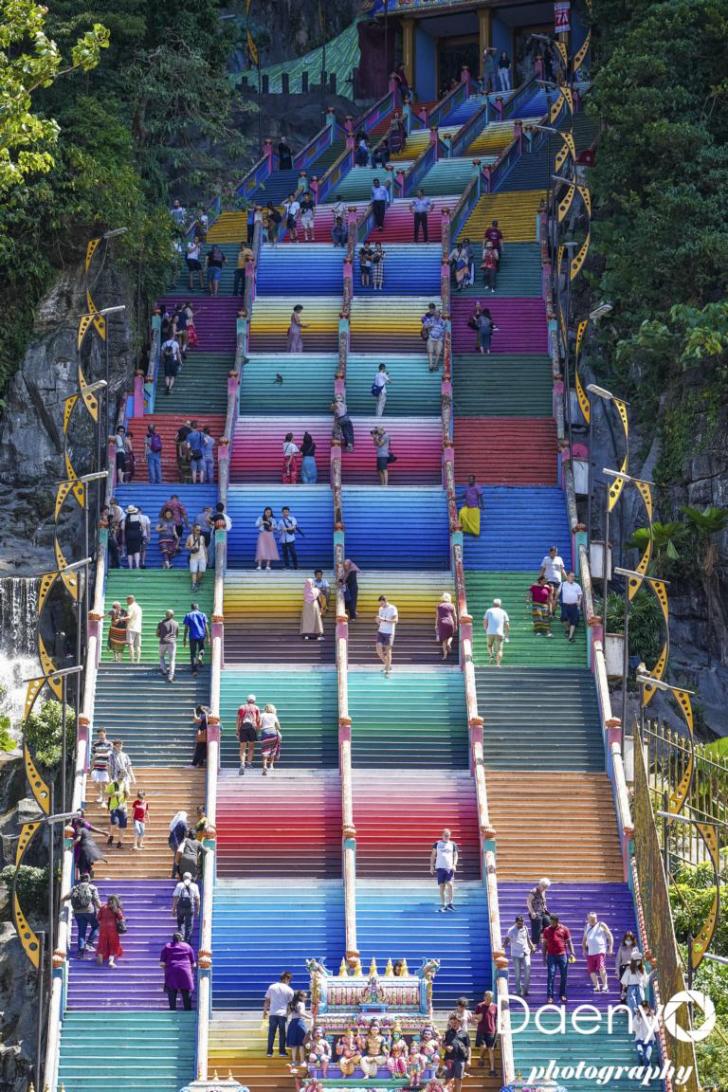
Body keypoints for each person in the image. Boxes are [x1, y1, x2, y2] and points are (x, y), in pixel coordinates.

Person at [62, 872, 102, 955]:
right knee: (96, 926)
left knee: (81, 931)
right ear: (88, 879)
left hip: (78, 912)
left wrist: (61, 900)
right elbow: (96, 900)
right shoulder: (92, 887)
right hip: (89, 911)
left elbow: (66, 897)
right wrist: (102, 908)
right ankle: (89, 943)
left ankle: (80, 951)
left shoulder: (75, 888)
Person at [542, 914, 576, 1004]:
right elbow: (544, 944)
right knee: (551, 975)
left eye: (553, 922)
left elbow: (569, 942)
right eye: (551, 922)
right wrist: (543, 957)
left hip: (562, 955)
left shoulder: (564, 929)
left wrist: (572, 953)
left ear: (557, 921)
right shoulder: (546, 930)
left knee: (564, 975)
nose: (551, 923)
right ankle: (550, 996)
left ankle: (562, 994)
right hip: (551, 956)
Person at [160, 932, 196, 1010]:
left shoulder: (167, 946)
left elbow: (162, 963)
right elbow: (193, 964)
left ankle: (172, 1010)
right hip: (185, 971)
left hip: (172, 970)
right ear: (182, 938)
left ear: (172, 939)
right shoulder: (187, 946)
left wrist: (167, 969)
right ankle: (187, 1010)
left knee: (171, 991)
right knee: (186, 991)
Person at [263, 971, 295, 1057]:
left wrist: (265, 1011)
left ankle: (269, 1051)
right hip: (283, 1014)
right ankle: (282, 1051)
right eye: (289, 980)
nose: (289, 982)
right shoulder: (289, 990)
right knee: (282, 1033)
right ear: (287, 979)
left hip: (273, 1013)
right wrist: (288, 1013)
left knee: (271, 1033)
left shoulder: (272, 987)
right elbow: (291, 1005)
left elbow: (267, 1000)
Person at [583, 912, 614, 994]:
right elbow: (584, 940)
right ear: (588, 919)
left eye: (594, 918)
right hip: (591, 952)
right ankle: (597, 986)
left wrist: (610, 948)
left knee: (601, 967)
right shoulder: (586, 927)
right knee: (591, 970)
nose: (593, 920)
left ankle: (605, 985)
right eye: (591, 918)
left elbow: (610, 936)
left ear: (596, 918)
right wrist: (584, 949)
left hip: (600, 951)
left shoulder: (601, 925)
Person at [506, 914, 535, 997]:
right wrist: (503, 946)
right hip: (516, 954)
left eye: (522, 923)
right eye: (519, 923)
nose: (521, 925)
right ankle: (518, 991)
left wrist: (532, 946)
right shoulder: (511, 930)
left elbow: (528, 939)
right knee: (517, 974)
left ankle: (525, 990)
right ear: (515, 922)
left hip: (526, 952)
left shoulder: (525, 928)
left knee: (527, 971)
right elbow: (507, 939)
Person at [430, 828, 458, 912]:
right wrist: (431, 866)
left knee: (450, 884)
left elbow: (455, 855)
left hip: (449, 868)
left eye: (448, 835)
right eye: (445, 835)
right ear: (442, 835)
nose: (447, 837)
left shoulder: (453, 844)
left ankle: (450, 903)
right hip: (440, 867)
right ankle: (443, 905)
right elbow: (433, 855)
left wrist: (454, 865)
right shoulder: (437, 844)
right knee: (442, 886)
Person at [96, 894, 125, 967]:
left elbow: (98, 918)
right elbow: (121, 918)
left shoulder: (103, 907)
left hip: (103, 928)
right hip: (112, 929)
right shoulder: (116, 909)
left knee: (102, 943)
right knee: (113, 945)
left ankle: (100, 956)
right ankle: (111, 961)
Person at [443, 1014, 470, 1092]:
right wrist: (446, 1047)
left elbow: (468, 1047)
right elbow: (442, 1044)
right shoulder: (447, 1033)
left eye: (455, 1022)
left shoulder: (465, 1033)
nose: (453, 1024)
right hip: (449, 1059)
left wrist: (469, 1060)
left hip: (460, 1059)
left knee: (459, 1080)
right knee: (448, 1079)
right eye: (452, 1023)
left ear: (459, 1022)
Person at [172, 871, 201, 943]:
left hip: (180, 906)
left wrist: (174, 909)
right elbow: (197, 898)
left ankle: (180, 939)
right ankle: (187, 942)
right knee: (189, 926)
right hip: (190, 907)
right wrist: (198, 910)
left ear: (183, 878)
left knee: (180, 923)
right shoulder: (195, 886)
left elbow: (175, 897)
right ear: (190, 878)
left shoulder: (179, 885)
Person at [474, 990, 498, 1076]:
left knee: (491, 1049)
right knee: (483, 1046)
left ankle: (492, 1069)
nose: (489, 1000)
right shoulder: (479, 1006)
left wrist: (498, 1027)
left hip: (491, 1031)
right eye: (487, 998)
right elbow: (475, 1017)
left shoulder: (495, 1007)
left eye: (490, 998)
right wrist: (476, 1019)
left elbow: (496, 1018)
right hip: (481, 1030)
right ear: (484, 997)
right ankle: (481, 1058)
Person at [237, 694, 261, 775]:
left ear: (247, 700)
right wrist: (257, 730)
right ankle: (249, 764)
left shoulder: (241, 707)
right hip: (252, 728)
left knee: (242, 748)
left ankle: (242, 764)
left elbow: (238, 719)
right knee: (251, 748)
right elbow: (258, 720)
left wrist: (237, 730)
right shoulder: (256, 708)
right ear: (254, 701)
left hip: (243, 728)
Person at [539, 545, 566, 616]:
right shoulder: (546, 559)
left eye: (555, 552)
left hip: (558, 580)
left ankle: (552, 612)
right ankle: (550, 612)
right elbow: (542, 569)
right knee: (551, 592)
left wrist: (566, 578)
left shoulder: (559, 559)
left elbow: (562, 570)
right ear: (550, 552)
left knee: (556, 597)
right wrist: (539, 578)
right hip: (548, 580)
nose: (554, 554)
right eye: (553, 552)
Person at [183, 602, 209, 675]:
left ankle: (194, 670)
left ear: (191, 608)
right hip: (201, 635)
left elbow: (186, 628)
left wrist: (184, 638)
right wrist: (208, 637)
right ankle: (200, 658)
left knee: (193, 653)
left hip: (192, 636)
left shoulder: (188, 615)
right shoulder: (203, 614)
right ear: (197, 607)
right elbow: (206, 626)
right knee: (201, 649)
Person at [483, 597, 510, 666]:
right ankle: (498, 664)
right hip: (499, 633)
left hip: (490, 632)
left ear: (493, 604)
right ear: (500, 605)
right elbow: (507, 624)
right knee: (499, 650)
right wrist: (507, 634)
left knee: (489, 645)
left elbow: (485, 621)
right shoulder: (503, 612)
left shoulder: (489, 611)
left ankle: (491, 655)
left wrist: (485, 629)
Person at [375, 594, 398, 675]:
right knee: (378, 650)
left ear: (385, 601)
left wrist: (384, 620)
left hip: (389, 632)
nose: (381, 605)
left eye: (382, 603)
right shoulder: (380, 609)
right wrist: (378, 621)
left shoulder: (393, 608)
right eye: (380, 603)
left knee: (388, 651)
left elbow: (395, 621)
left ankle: (388, 670)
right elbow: (380, 621)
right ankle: (388, 665)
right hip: (381, 631)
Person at [286, 990, 310, 1066]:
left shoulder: (291, 1004)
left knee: (294, 1044)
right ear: (300, 997)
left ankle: (294, 1061)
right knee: (301, 1044)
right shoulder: (301, 1004)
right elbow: (301, 1013)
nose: (306, 998)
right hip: (300, 1023)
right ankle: (302, 1061)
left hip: (292, 1023)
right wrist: (310, 1017)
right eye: (305, 997)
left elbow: (288, 1013)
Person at [526, 877, 552, 945]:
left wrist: (545, 906)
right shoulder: (533, 891)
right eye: (544, 887)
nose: (545, 888)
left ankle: (543, 937)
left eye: (546, 887)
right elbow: (528, 902)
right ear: (540, 885)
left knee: (549, 922)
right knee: (537, 923)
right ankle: (534, 943)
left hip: (542, 911)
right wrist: (532, 912)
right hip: (535, 912)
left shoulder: (543, 891)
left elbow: (544, 900)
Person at [560, 571, 583, 643]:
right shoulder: (563, 584)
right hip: (565, 605)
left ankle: (570, 637)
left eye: (574, 576)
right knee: (563, 618)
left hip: (574, 605)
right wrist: (555, 599)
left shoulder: (577, 585)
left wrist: (579, 601)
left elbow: (580, 595)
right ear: (567, 576)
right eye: (571, 576)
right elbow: (558, 592)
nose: (573, 578)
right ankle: (567, 629)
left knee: (573, 621)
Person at [91, 728, 113, 803]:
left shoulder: (109, 744)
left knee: (104, 784)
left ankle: (103, 798)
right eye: (99, 735)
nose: (100, 736)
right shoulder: (95, 744)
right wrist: (91, 768)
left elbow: (109, 754)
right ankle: (100, 795)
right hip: (96, 767)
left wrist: (99, 754)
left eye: (102, 734)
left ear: (105, 733)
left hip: (105, 767)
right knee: (96, 783)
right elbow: (94, 756)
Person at [633, 1001, 659, 1066]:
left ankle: (647, 1069)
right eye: (643, 1009)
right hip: (639, 1040)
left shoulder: (652, 1017)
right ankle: (641, 1068)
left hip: (649, 1040)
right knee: (640, 1054)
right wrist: (638, 1019)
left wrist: (652, 1018)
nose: (644, 1010)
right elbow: (634, 1029)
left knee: (647, 1056)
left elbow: (656, 1029)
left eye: (646, 1008)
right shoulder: (637, 1017)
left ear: (648, 1009)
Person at [260, 703, 283, 774]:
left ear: (265, 709)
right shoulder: (274, 715)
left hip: (265, 732)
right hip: (273, 732)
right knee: (273, 749)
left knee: (265, 749)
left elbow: (260, 725)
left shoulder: (262, 715)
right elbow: (278, 727)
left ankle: (264, 766)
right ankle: (271, 765)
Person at [106, 778, 128, 848]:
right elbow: (107, 795)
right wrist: (113, 794)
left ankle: (120, 842)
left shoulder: (125, 784)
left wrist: (127, 792)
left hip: (123, 807)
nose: (121, 776)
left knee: (123, 826)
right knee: (115, 822)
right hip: (114, 807)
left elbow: (127, 796)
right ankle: (111, 836)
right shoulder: (112, 784)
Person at [157, 609, 179, 682]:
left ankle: (164, 670)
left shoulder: (161, 623)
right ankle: (170, 677)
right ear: (173, 615)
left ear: (166, 615)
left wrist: (162, 635)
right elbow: (177, 634)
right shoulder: (176, 623)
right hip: (172, 643)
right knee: (172, 660)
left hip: (163, 642)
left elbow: (157, 634)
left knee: (161, 656)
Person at [616, 930, 638, 1000]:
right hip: (623, 968)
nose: (628, 941)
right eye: (627, 939)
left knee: (630, 988)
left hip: (632, 969)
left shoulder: (635, 948)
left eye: (630, 939)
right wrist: (617, 972)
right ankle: (623, 1001)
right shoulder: (622, 947)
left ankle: (629, 1001)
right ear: (624, 939)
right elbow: (618, 960)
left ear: (632, 939)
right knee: (623, 985)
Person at [436, 591, 457, 660]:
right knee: (450, 636)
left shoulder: (439, 606)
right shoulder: (452, 605)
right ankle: (449, 643)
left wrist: (436, 625)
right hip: (450, 622)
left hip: (442, 623)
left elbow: (437, 616)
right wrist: (456, 624)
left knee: (444, 640)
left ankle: (445, 655)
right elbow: (455, 616)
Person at [185, 525, 208, 590]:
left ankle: (197, 581)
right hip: (193, 557)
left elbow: (204, 547)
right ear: (194, 529)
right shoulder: (190, 537)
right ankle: (194, 584)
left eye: (200, 530)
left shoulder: (202, 537)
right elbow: (186, 546)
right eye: (198, 530)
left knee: (202, 570)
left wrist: (206, 557)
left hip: (202, 556)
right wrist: (191, 547)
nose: (199, 531)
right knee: (194, 571)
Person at [168, 810, 189, 877]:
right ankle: (177, 873)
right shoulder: (182, 823)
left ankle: (174, 873)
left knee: (176, 858)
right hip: (178, 843)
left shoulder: (175, 823)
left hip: (173, 843)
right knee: (178, 858)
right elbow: (187, 832)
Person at [424, 308, 445, 372]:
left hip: (439, 339)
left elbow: (445, 329)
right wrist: (430, 325)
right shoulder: (430, 319)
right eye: (435, 313)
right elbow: (425, 326)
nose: (436, 314)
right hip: (431, 338)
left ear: (439, 314)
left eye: (437, 312)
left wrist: (442, 335)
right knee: (430, 352)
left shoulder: (442, 321)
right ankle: (430, 365)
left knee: (438, 353)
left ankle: (435, 365)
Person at [125, 594, 142, 664]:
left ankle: (132, 661)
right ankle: (138, 661)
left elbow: (129, 617)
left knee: (130, 644)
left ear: (131, 600)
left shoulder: (131, 607)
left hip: (131, 628)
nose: (127, 602)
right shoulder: (139, 607)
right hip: (138, 628)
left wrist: (120, 619)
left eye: (127, 601)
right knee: (138, 646)